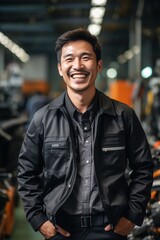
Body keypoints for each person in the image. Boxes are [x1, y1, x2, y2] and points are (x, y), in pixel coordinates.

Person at [17, 28, 154, 240]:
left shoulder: (123, 116)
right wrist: (39, 220)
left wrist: (132, 216)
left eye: (86, 57)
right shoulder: (43, 119)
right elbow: (27, 173)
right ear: (60, 68)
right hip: (61, 229)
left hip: (110, 228)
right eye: (69, 59)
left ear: (98, 65)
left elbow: (143, 168)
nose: (78, 66)